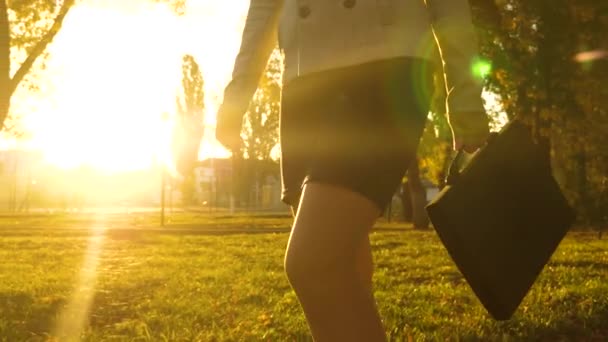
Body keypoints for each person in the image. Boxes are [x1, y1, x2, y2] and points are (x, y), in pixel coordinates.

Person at [216, 0, 490, 340]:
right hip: (303, 80)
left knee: (314, 262)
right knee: (344, 270)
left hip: (385, 69)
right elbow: (264, 7)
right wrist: (237, 95)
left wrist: (465, 98)